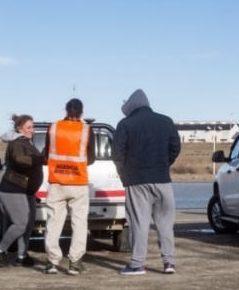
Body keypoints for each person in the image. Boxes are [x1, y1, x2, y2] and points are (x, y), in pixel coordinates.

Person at [112, 89, 181, 275]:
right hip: (163, 180)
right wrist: (164, 164)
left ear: (132, 106)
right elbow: (175, 147)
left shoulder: (125, 124)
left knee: (139, 223)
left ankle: (137, 264)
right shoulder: (166, 121)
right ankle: (169, 263)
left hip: (136, 181)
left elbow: (117, 153)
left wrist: (125, 174)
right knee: (165, 223)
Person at [43, 98, 95, 275]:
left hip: (56, 181)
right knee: (79, 223)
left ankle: (52, 262)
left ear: (65, 111)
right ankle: (75, 262)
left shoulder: (53, 128)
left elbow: (46, 154)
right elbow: (92, 158)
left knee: (53, 222)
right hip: (78, 183)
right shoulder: (87, 129)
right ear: (81, 112)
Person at [0, 114, 44, 267]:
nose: (32, 130)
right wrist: (41, 159)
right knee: (20, 223)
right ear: (19, 128)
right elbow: (20, 160)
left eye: (33, 127)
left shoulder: (26, 141)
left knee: (28, 224)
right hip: (12, 189)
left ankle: (22, 255)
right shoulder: (17, 142)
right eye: (29, 127)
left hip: (27, 190)